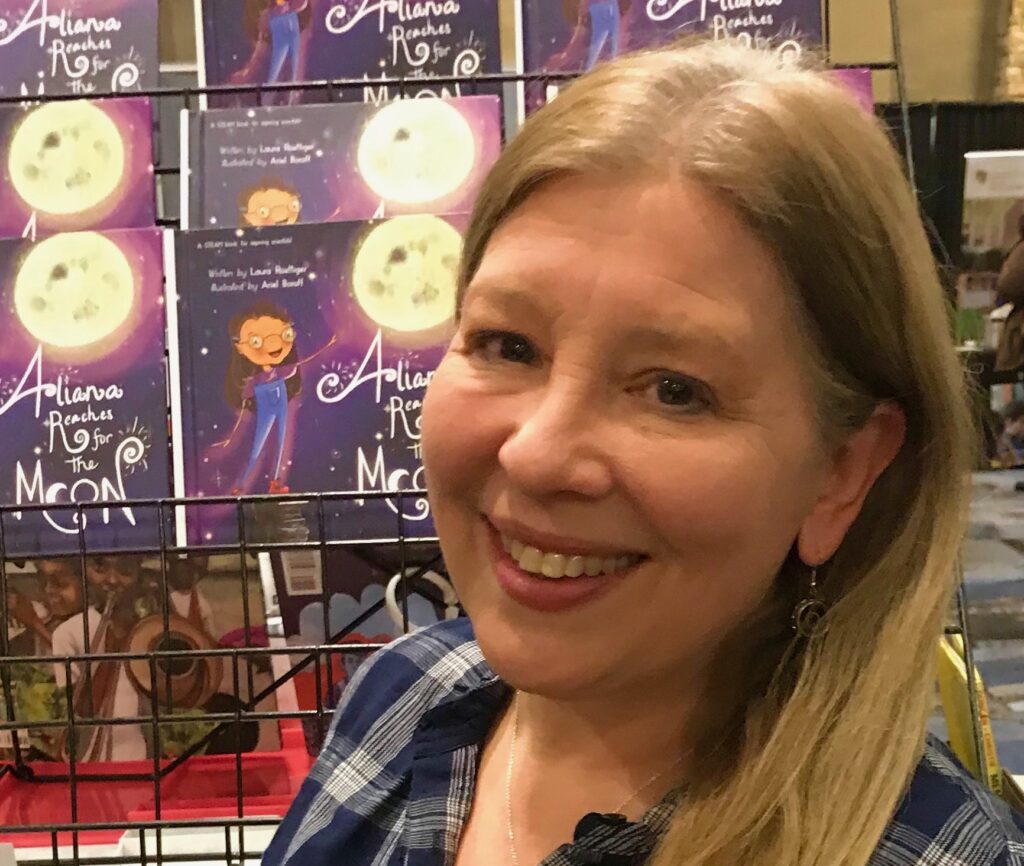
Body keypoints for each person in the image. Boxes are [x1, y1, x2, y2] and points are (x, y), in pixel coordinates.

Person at [265, 41, 1021, 866]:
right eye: (508, 344)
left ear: (843, 472)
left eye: (674, 390)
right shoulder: (405, 692)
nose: (538, 455)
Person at [51, 555, 151, 762]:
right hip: (87, 764)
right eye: (99, 567)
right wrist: (114, 640)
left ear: (139, 575)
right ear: (84, 573)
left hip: (143, 760)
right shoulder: (68, 633)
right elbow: (81, 710)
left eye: (125, 569)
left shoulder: (152, 630)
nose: (112, 580)